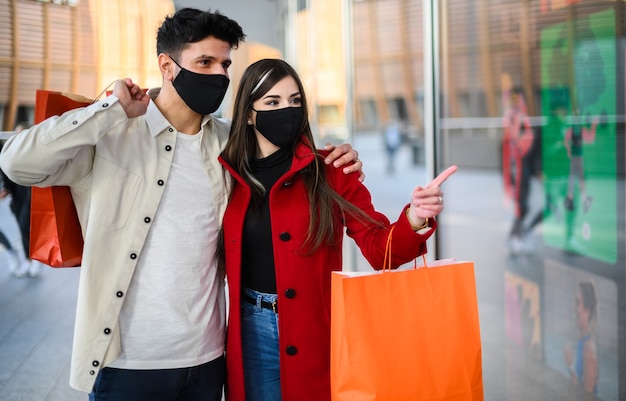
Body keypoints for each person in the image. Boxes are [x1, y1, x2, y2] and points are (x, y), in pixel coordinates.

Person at [0, 9, 361, 401]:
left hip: (207, 362)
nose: (219, 75)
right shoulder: (111, 134)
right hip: (126, 363)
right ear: (167, 67)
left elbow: (293, 155)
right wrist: (106, 111)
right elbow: (18, 165)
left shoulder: (231, 144)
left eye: (225, 64)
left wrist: (337, 158)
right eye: (204, 62)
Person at [217, 58, 457, 401]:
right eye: (273, 102)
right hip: (250, 332)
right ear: (250, 113)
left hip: (317, 332)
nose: (287, 110)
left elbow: (379, 249)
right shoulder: (228, 175)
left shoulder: (331, 170)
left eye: (295, 100)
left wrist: (415, 218)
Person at [1, 122, 44, 278]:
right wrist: (5, 190)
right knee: (22, 227)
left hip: (32, 194)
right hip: (17, 196)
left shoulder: (36, 152)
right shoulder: (10, 152)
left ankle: (34, 258)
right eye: (17, 134)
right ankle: (28, 259)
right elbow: (6, 173)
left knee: (25, 226)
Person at [501, 87, 535, 255]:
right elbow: (513, 136)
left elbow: (527, 136)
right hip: (515, 169)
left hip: (524, 168)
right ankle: (515, 235)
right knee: (520, 206)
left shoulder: (521, 117)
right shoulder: (512, 116)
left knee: (524, 206)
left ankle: (516, 234)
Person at [564, 280, 599, 396]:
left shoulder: (588, 348)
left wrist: (570, 366)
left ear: (587, 310)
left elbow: (588, 397)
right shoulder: (583, 342)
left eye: (578, 302)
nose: (574, 308)